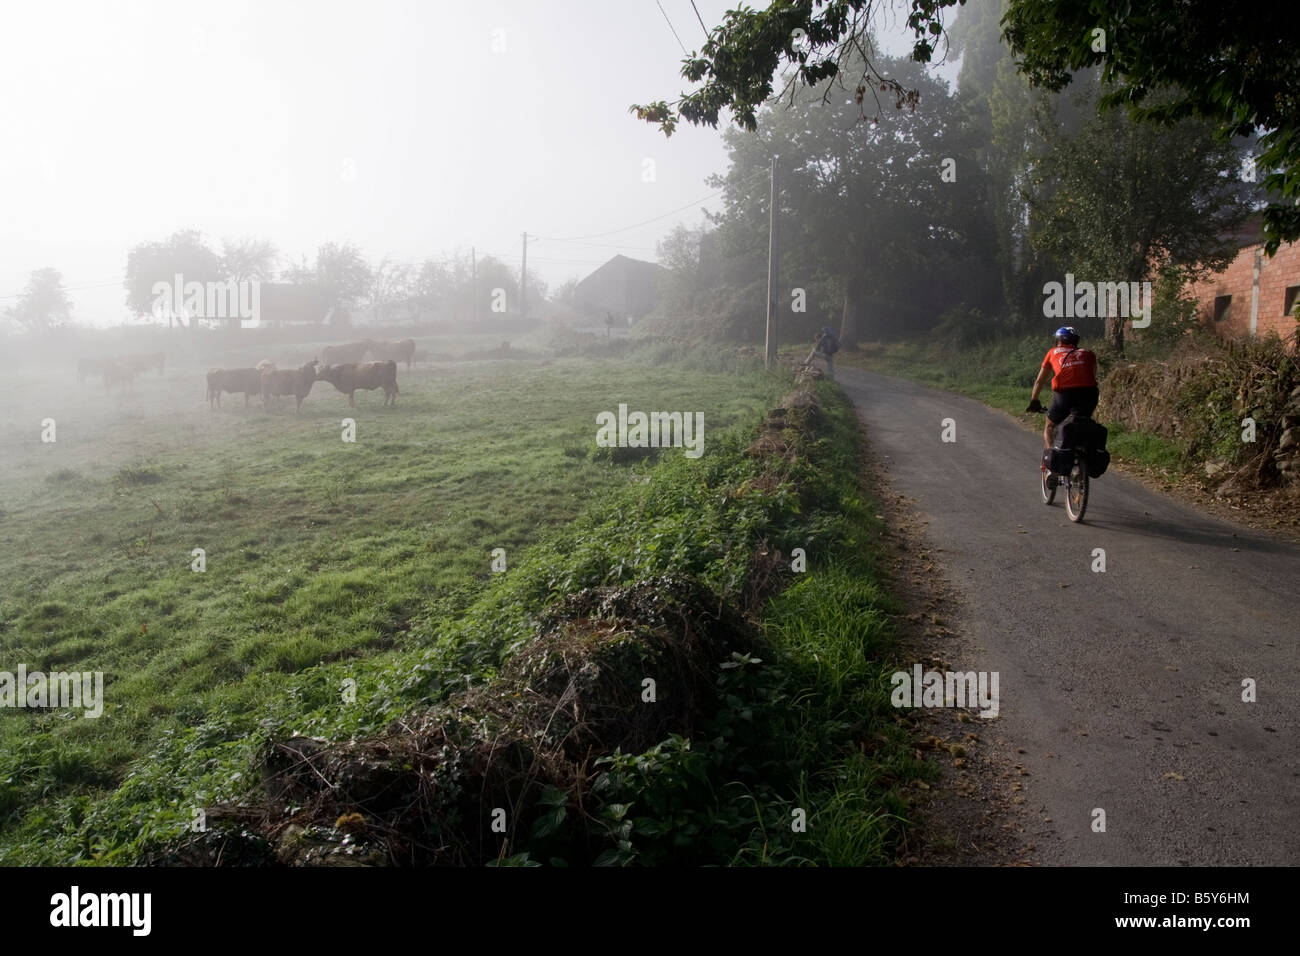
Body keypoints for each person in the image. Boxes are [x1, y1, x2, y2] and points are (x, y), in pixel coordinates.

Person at [1026, 326, 1099, 468]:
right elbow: (1092, 374)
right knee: (1082, 421)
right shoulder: (1088, 353)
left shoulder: (1053, 352)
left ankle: (1050, 465)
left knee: (1049, 426)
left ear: (1059, 341)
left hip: (1065, 394)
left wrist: (1034, 400)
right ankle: (1081, 456)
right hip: (1089, 394)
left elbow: (1040, 381)